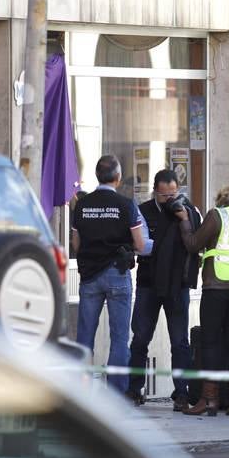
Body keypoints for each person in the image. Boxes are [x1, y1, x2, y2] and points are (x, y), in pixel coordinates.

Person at [174, 185, 229, 417]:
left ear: (222, 199)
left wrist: (184, 220)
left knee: (211, 341)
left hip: (218, 284)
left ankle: (209, 399)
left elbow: (193, 244)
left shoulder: (217, 215)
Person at [127, 170, 201, 410]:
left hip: (177, 285)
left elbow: (196, 241)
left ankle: (181, 392)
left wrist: (184, 219)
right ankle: (134, 388)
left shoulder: (188, 210)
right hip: (148, 282)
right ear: (155, 192)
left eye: (173, 194)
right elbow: (140, 245)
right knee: (140, 338)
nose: (169, 199)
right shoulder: (144, 210)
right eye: (164, 195)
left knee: (180, 341)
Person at [72, 155, 146, 393]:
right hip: (117, 274)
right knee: (119, 339)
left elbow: (76, 244)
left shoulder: (82, 205)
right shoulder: (126, 205)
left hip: (89, 277)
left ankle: (81, 391)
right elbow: (140, 244)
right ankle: (116, 393)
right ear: (118, 177)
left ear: (97, 176)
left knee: (84, 337)